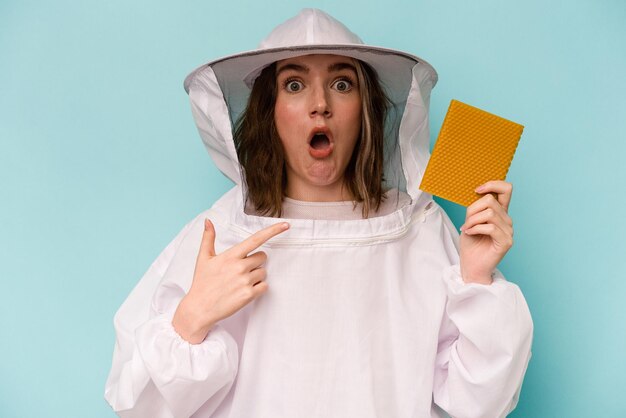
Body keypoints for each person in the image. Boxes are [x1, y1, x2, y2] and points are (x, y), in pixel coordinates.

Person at [104, 8, 533, 418]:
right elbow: (139, 404)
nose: (320, 104)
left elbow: (478, 404)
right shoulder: (219, 236)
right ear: (268, 113)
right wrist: (191, 318)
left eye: (342, 84)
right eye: (294, 85)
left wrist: (476, 278)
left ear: (365, 111)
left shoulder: (420, 228)